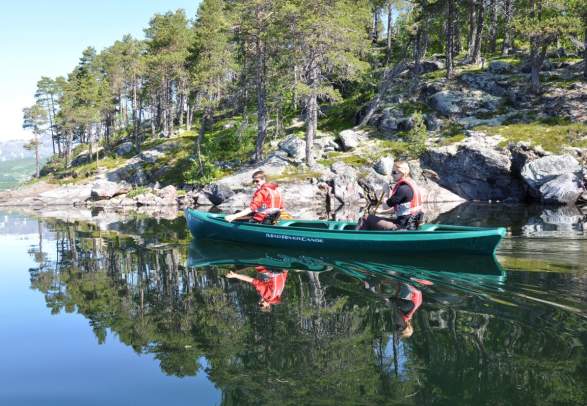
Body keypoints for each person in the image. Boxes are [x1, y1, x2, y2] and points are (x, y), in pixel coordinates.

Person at [356, 161, 423, 230]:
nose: (392, 175)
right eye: (392, 172)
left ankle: (355, 237)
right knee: (373, 219)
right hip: (410, 226)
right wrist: (382, 212)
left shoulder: (403, 189)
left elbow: (386, 206)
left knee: (365, 218)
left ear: (402, 173)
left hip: (401, 228)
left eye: (394, 172)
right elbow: (400, 208)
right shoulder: (410, 185)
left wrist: (387, 192)